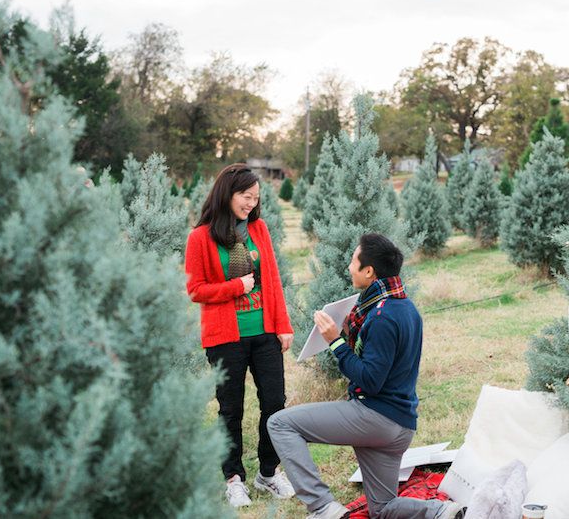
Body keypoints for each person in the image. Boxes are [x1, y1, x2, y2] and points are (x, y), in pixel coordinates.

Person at [268, 233, 466, 519]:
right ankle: (441, 512)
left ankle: (322, 507)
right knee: (382, 509)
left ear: (369, 271)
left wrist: (336, 342)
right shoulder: (405, 307)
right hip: (402, 424)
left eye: (353, 261)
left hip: (376, 418)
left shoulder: (382, 317)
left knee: (280, 424)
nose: (349, 267)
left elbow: (370, 380)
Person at [185, 164, 295, 508]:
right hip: (224, 336)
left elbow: (272, 280)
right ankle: (233, 478)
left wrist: (283, 324)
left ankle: (268, 472)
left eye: (255, 198)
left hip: (264, 332)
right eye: (246, 197)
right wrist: (236, 287)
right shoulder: (200, 237)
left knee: (275, 403)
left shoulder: (259, 229)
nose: (251, 203)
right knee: (230, 410)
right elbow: (195, 289)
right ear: (227, 194)